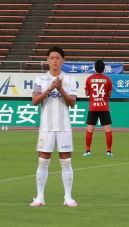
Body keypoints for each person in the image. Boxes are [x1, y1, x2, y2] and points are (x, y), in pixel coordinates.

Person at [31, 46, 78, 207]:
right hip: (46, 126)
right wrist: (50, 88)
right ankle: (40, 197)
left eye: (58, 58)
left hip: (64, 126)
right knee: (43, 161)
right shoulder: (40, 80)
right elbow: (35, 100)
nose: (54, 61)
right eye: (52, 58)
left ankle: (68, 197)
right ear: (47, 60)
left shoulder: (70, 79)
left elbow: (72, 102)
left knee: (66, 162)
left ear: (63, 60)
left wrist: (60, 89)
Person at [83, 59, 114, 157]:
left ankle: (88, 151)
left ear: (94, 68)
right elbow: (109, 94)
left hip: (93, 107)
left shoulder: (89, 79)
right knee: (108, 130)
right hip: (104, 107)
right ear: (104, 68)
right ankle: (109, 151)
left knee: (90, 130)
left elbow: (87, 93)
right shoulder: (108, 79)